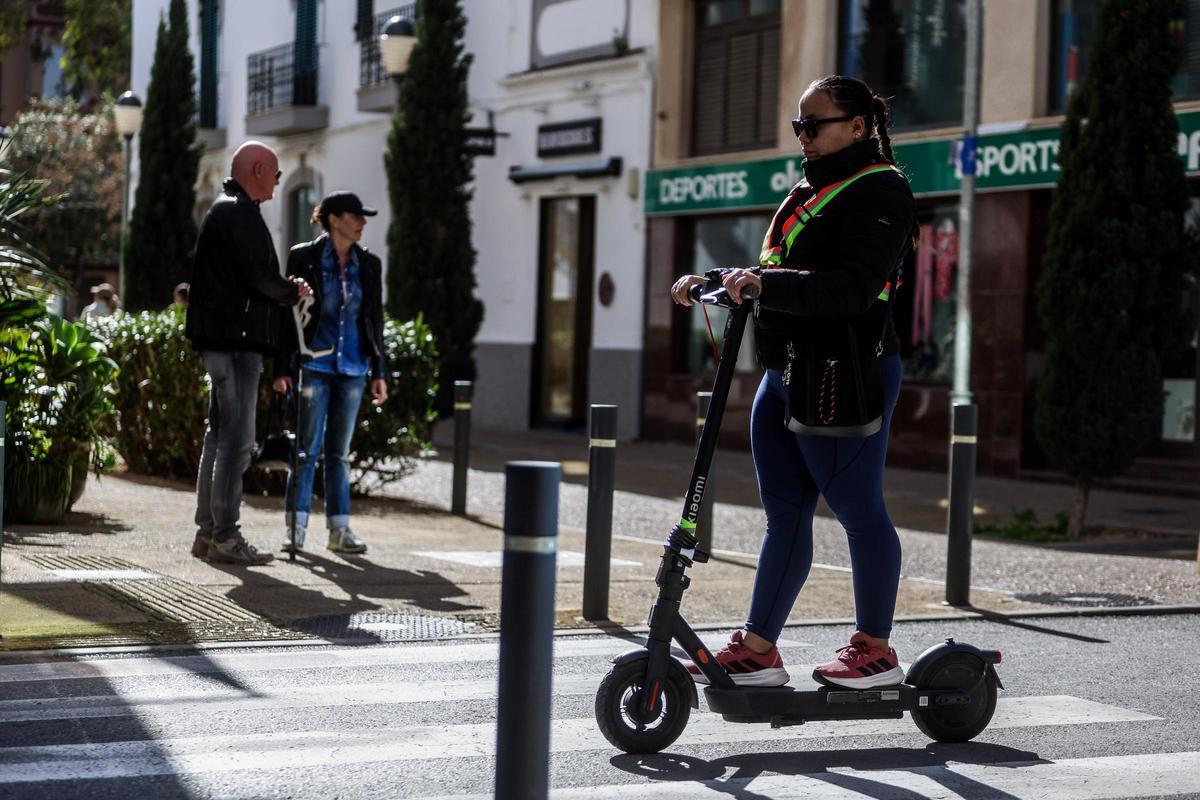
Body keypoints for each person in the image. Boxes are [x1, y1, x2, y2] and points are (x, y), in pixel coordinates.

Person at [671, 75, 916, 689]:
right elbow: (778, 271)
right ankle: (758, 649)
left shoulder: (881, 190)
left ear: (858, 126)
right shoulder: (810, 188)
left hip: (846, 374)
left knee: (859, 512)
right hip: (785, 370)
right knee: (784, 515)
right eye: (798, 127)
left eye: (815, 125)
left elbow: (852, 286)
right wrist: (720, 278)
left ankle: (876, 650)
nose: (803, 136)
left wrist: (765, 285)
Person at [186, 141, 312, 567]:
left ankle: (208, 534)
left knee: (219, 438)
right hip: (236, 343)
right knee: (237, 442)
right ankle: (224, 534)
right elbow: (258, 277)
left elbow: (249, 277)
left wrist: (281, 287)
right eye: (276, 175)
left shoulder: (229, 209)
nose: (278, 184)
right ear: (257, 169)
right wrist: (291, 290)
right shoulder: (237, 211)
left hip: (225, 340)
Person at [272, 191, 388, 555]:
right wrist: (282, 368)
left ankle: (339, 531)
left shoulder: (369, 265)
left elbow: (374, 320)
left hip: (353, 366)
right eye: (356, 216)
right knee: (306, 451)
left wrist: (379, 370)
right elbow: (286, 317)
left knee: (339, 453)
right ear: (334, 219)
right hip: (314, 364)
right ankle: (296, 530)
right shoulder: (303, 257)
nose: (362, 223)